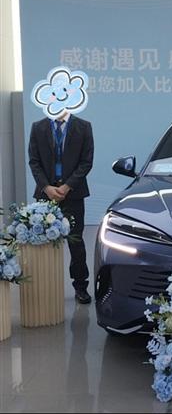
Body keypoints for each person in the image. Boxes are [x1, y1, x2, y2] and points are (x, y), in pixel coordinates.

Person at [28, 108, 94, 303]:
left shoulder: (83, 126)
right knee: (42, 241)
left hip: (73, 194)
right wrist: (47, 187)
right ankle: (45, 288)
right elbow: (34, 162)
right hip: (45, 194)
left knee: (76, 242)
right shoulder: (38, 127)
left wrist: (66, 187)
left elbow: (86, 162)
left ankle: (80, 287)